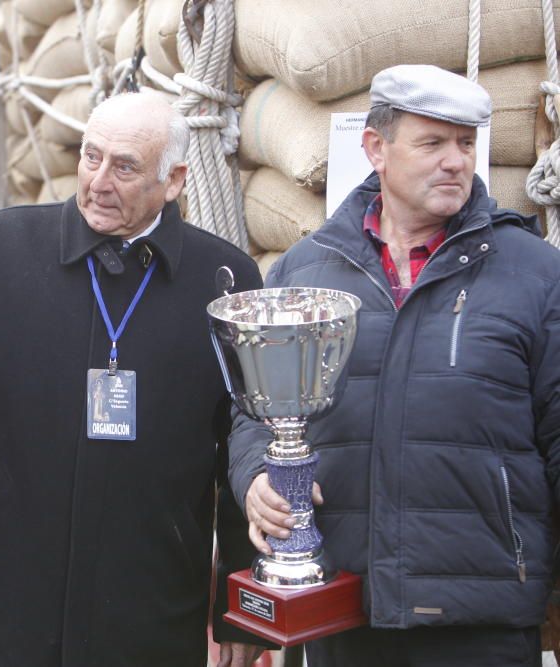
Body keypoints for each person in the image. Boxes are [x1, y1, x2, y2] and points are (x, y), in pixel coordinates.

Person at [0, 89, 267, 667]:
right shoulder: (2, 246)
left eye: (124, 167)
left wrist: (235, 604)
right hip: (9, 599)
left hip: (152, 604)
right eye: (90, 156)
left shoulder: (223, 280)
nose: (98, 181)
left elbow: (243, 446)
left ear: (174, 181)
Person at [229, 64, 560, 667]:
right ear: (376, 148)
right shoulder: (306, 273)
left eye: (466, 143)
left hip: (480, 617)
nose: (456, 161)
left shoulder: (535, 274)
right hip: (342, 608)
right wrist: (255, 476)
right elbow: (255, 410)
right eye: (432, 143)